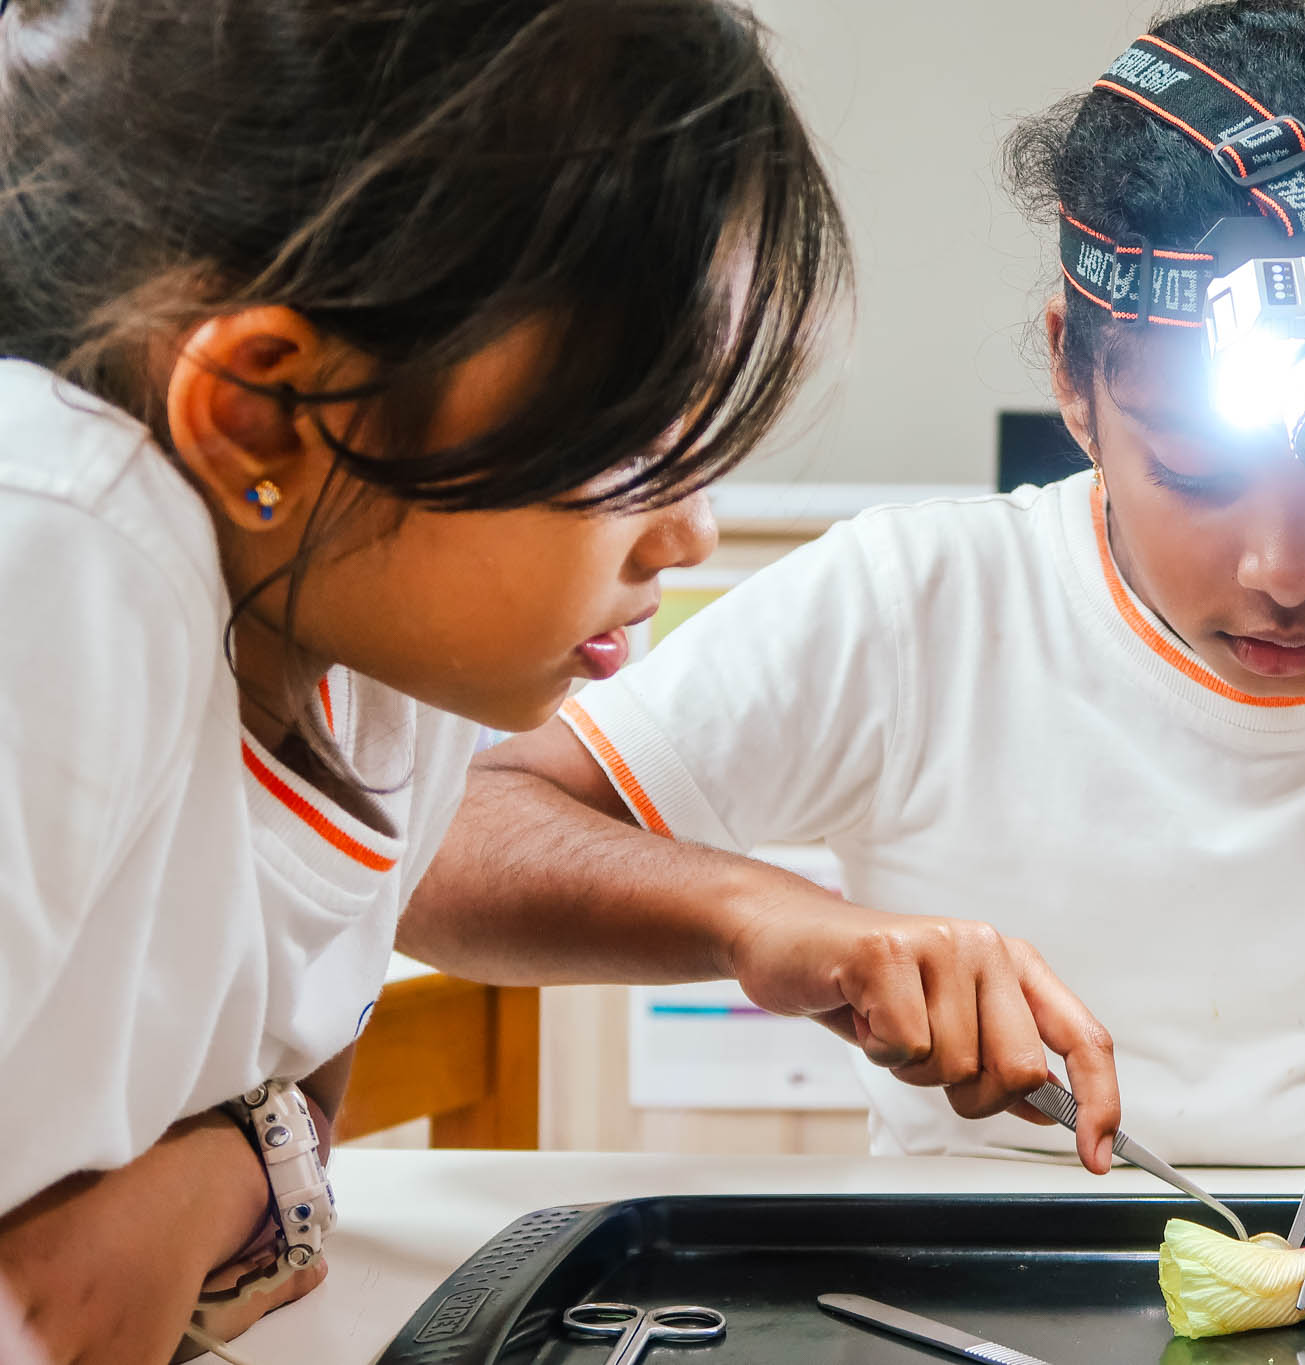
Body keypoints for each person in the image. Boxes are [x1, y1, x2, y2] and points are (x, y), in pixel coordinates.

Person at [410, 0, 1305, 1181]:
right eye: (1198, 469)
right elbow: (444, 846)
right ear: (1075, 379)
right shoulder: (919, 605)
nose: (1291, 571)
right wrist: (766, 916)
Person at [0, 3, 1068, 1361]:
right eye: (629, 445)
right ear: (264, 409)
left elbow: (282, 1104)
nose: (686, 537)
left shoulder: (380, 655)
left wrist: (229, 1180)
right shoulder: (51, 558)